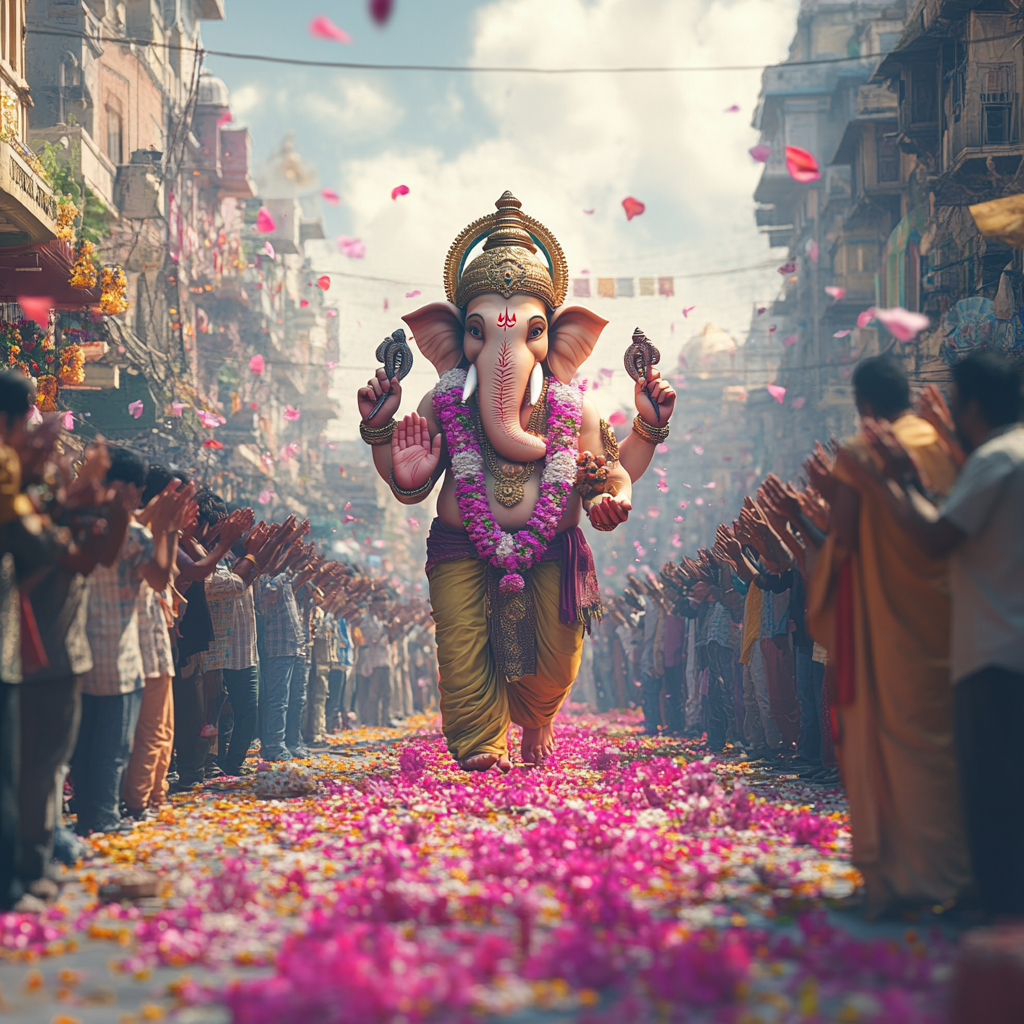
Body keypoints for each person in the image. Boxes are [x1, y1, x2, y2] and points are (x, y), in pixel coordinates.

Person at [845, 351, 1024, 919]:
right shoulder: (991, 455)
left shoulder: (995, 460)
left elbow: (933, 536)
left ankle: (986, 897)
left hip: (986, 642)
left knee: (988, 780)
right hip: (978, 632)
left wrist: (890, 480)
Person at [807, 354, 971, 917]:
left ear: (866, 405)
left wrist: (829, 497)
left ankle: (898, 880)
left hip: (886, 621)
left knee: (887, 747)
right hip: (948, 613)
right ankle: (955, 873)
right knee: (942, 744)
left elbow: (845, 536)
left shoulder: (860, 453)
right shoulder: (942, 441)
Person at [70, 449, 193, 836]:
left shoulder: (76, 522)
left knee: (83, 745)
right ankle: (103, 816)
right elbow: (160, 578)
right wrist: (169, 530)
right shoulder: (133, 533)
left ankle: (91, 814)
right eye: (138, 490)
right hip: (119, 658)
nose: (139, 498)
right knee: (112, 746)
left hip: (77, 651)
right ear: (123, 487)